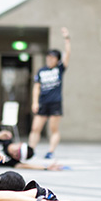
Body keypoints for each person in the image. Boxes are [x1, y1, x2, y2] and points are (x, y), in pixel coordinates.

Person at [28, 27, 71, 159]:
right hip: (42, 103)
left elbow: (68, 53)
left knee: (53, 129)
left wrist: (67, 38)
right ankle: (30, 150)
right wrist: (35, 102)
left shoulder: (59, 69)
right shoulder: (41, 71)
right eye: (48, 57)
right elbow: (36, 87)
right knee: (35, 128)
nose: (49, 59)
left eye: (52, 57)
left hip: (55, 103)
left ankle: (51, 151)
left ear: (57, 59)